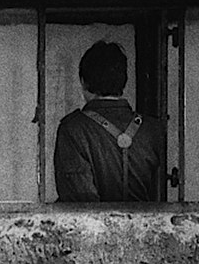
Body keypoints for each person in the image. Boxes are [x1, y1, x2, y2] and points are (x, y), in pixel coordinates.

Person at [53, 41, 163, 202]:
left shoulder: (72, 128)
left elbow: (77, 203)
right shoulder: (153, 129)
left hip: (92, 226)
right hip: (148, 226)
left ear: (83, 81)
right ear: (123, 80)